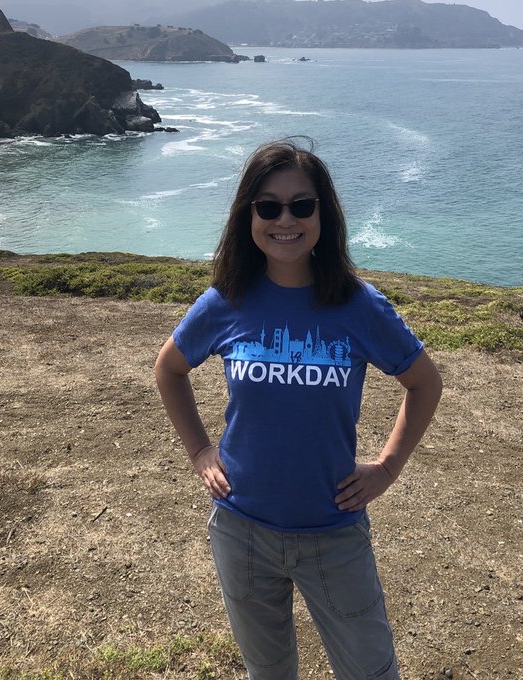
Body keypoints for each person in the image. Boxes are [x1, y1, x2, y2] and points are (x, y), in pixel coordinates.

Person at [155, 138, 443, 680]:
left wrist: (387, 468)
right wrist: (199, 451)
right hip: (241, 528)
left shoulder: (359, 305)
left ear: (322, 214)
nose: (284, 219)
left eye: (301, 205)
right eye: (268, 206)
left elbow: (424, 383)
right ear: (249, 217)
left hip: (333, 531)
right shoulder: (226, 301)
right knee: (268, 672)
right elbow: (169, 370)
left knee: (371, 672)